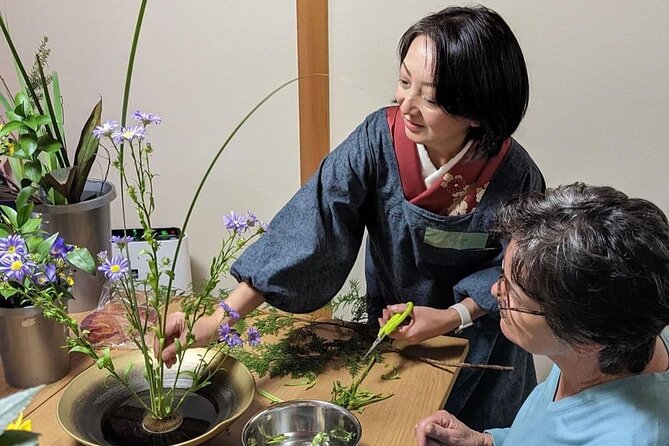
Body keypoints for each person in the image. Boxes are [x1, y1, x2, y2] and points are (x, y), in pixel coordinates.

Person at [158, 6, 544, 430]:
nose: (406, 104)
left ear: (477, 110)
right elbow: (308, 229)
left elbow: (517, 271)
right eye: (403, 81)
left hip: (487, 344)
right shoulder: (378, 141)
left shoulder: (515, 174)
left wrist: (454, 316)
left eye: (430, 97)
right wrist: (219, 320)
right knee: (398, 426)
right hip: (399, 336)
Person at [415, 183, 669, 446]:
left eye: (513, 292)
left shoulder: (632, 438)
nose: (494, 290)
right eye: (502, 274)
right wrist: (485, 441)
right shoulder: (605, 342)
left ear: (586, 338)